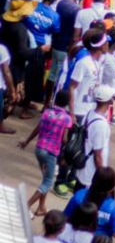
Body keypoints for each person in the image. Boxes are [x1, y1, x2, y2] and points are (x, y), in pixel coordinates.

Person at [18, 87, 72, 216]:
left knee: (45, 179)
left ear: (56, 100)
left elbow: (38, 128)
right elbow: (64, 139)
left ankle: (41, 207)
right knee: (48, 182)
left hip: (39, 149)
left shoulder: (47, 112)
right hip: (51, 152)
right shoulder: (66, 118)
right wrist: (67, 149)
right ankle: (25, 206)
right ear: (68, 103)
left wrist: (27, 141)